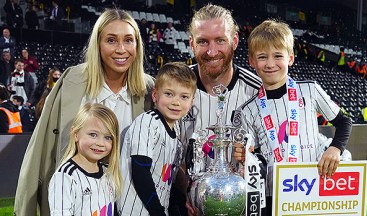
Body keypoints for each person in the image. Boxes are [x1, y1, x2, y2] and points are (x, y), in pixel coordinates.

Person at [15, 8, 154, 216]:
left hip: (133, 205)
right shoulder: (73, 81)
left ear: (137, 45)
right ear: (97, 44)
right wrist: (24, 207)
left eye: (128, 40)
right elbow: (41, 147)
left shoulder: (148, 89)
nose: (121, 49)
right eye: (111, 40)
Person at [233, 19, 352, 216]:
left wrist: (335, 148)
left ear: (290, 58)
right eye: (262, 57)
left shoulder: (310, 90)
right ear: (251, 61)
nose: (270, 64)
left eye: (277, 55)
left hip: (312, 189)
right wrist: (243, 154)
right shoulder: (247, 110)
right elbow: (251, 156)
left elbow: (344, 122)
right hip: (272, 196)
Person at [169, 4, 262, 216]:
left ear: (235, 41)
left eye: (220, 40)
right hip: (185, 205)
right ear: (192, 44)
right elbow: (166, 154)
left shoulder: (257, 91)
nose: (211, 51)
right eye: (203, 41)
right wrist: (192, 194)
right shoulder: (174, 89)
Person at [117, 62, 197, 216]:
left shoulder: (176, 136)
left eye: (184, 96)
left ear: (191, 102)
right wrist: (157, 211)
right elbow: (140, 171)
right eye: (169, 94)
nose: (176, 102)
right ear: (155, 95)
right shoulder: (147, 122)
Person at [48, 103, 122, 215]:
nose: (101, 143)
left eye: (108, 137)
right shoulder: (65, 176)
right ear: (76, 135)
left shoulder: (109, 172)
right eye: (93, 135)